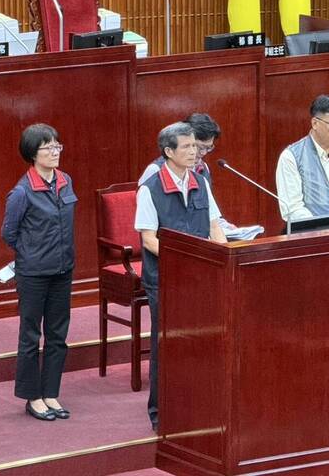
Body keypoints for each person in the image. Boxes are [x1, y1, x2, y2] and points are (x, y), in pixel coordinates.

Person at [135, 122, 228, 432]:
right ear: (168, 152)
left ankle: (199, 406)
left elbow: (214, 226)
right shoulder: (150, 188)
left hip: (201, 276)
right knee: (167, 344)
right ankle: (160, 413)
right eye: (187, 147)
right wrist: (186, 260)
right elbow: (149, 239)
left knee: (202, 341)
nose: (194, 152)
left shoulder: (201, 183)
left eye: (195, 146)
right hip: (166, 279)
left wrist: (225, 257)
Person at [1, 123, 78, 422]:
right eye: (47, 147)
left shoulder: (65, 181)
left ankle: (51, 393)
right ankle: (33, 396)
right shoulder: (21, 192)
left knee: (58, 335)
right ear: (33, 154)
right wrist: (32, 253)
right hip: (33, 273)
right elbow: (9, 233)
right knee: (31, 335)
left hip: (63, 269)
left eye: (57, 145)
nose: (54, 151)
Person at [137, 113, 220, 185]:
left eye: (208, 148)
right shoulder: (155, 170)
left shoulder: (203, 168)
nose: (203, 153)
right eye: (199, 147)